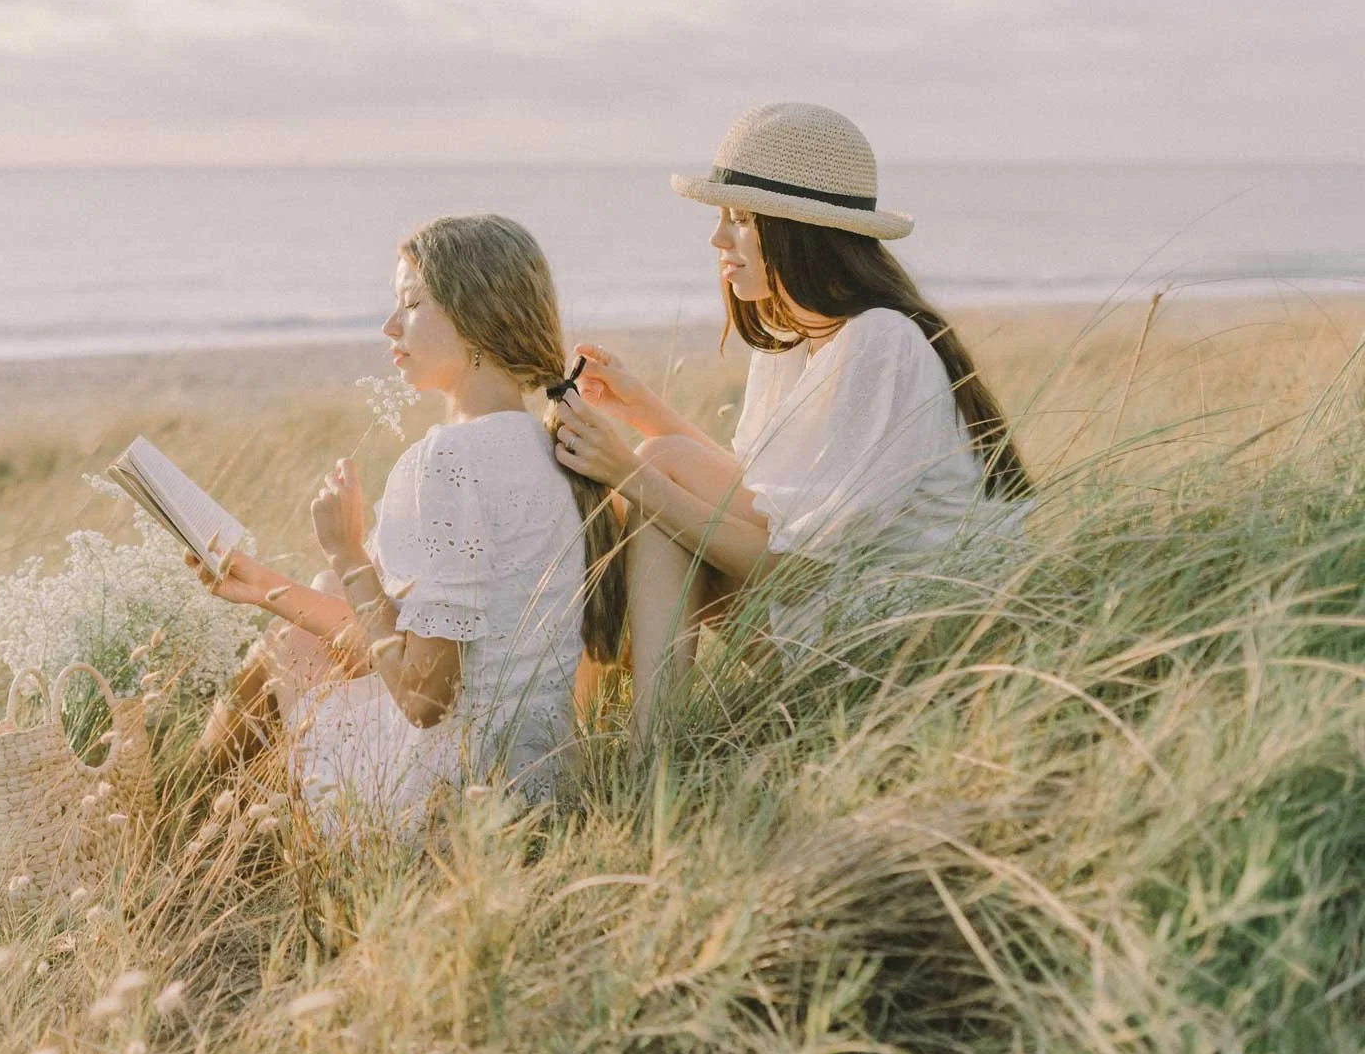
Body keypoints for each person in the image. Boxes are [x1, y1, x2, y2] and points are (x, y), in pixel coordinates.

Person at [550, 103, 1035, 750]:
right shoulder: (794, 340)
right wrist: (642, 412)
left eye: (741, 220)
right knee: (660, 459)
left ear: (799, 231)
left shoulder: (881, 342)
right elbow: (763, 498)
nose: (719, 241)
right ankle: (625, 738)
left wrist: (627, 469)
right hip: (835, 612)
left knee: (654, 470)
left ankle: (634, 744)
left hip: (899, 652)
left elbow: (796, 568)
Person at [188, 214, 625, 831]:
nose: (390, 326)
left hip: (445, 804)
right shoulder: (546, 449)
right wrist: (261, 585)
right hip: (535, 784)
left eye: (412, 304)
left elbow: (424, 698)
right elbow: (421, 645)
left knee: (284, 651)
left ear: (478, 318)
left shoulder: (448, 460)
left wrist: (347, 553)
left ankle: (174, 836)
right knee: (305, 619)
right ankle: (193, 835)